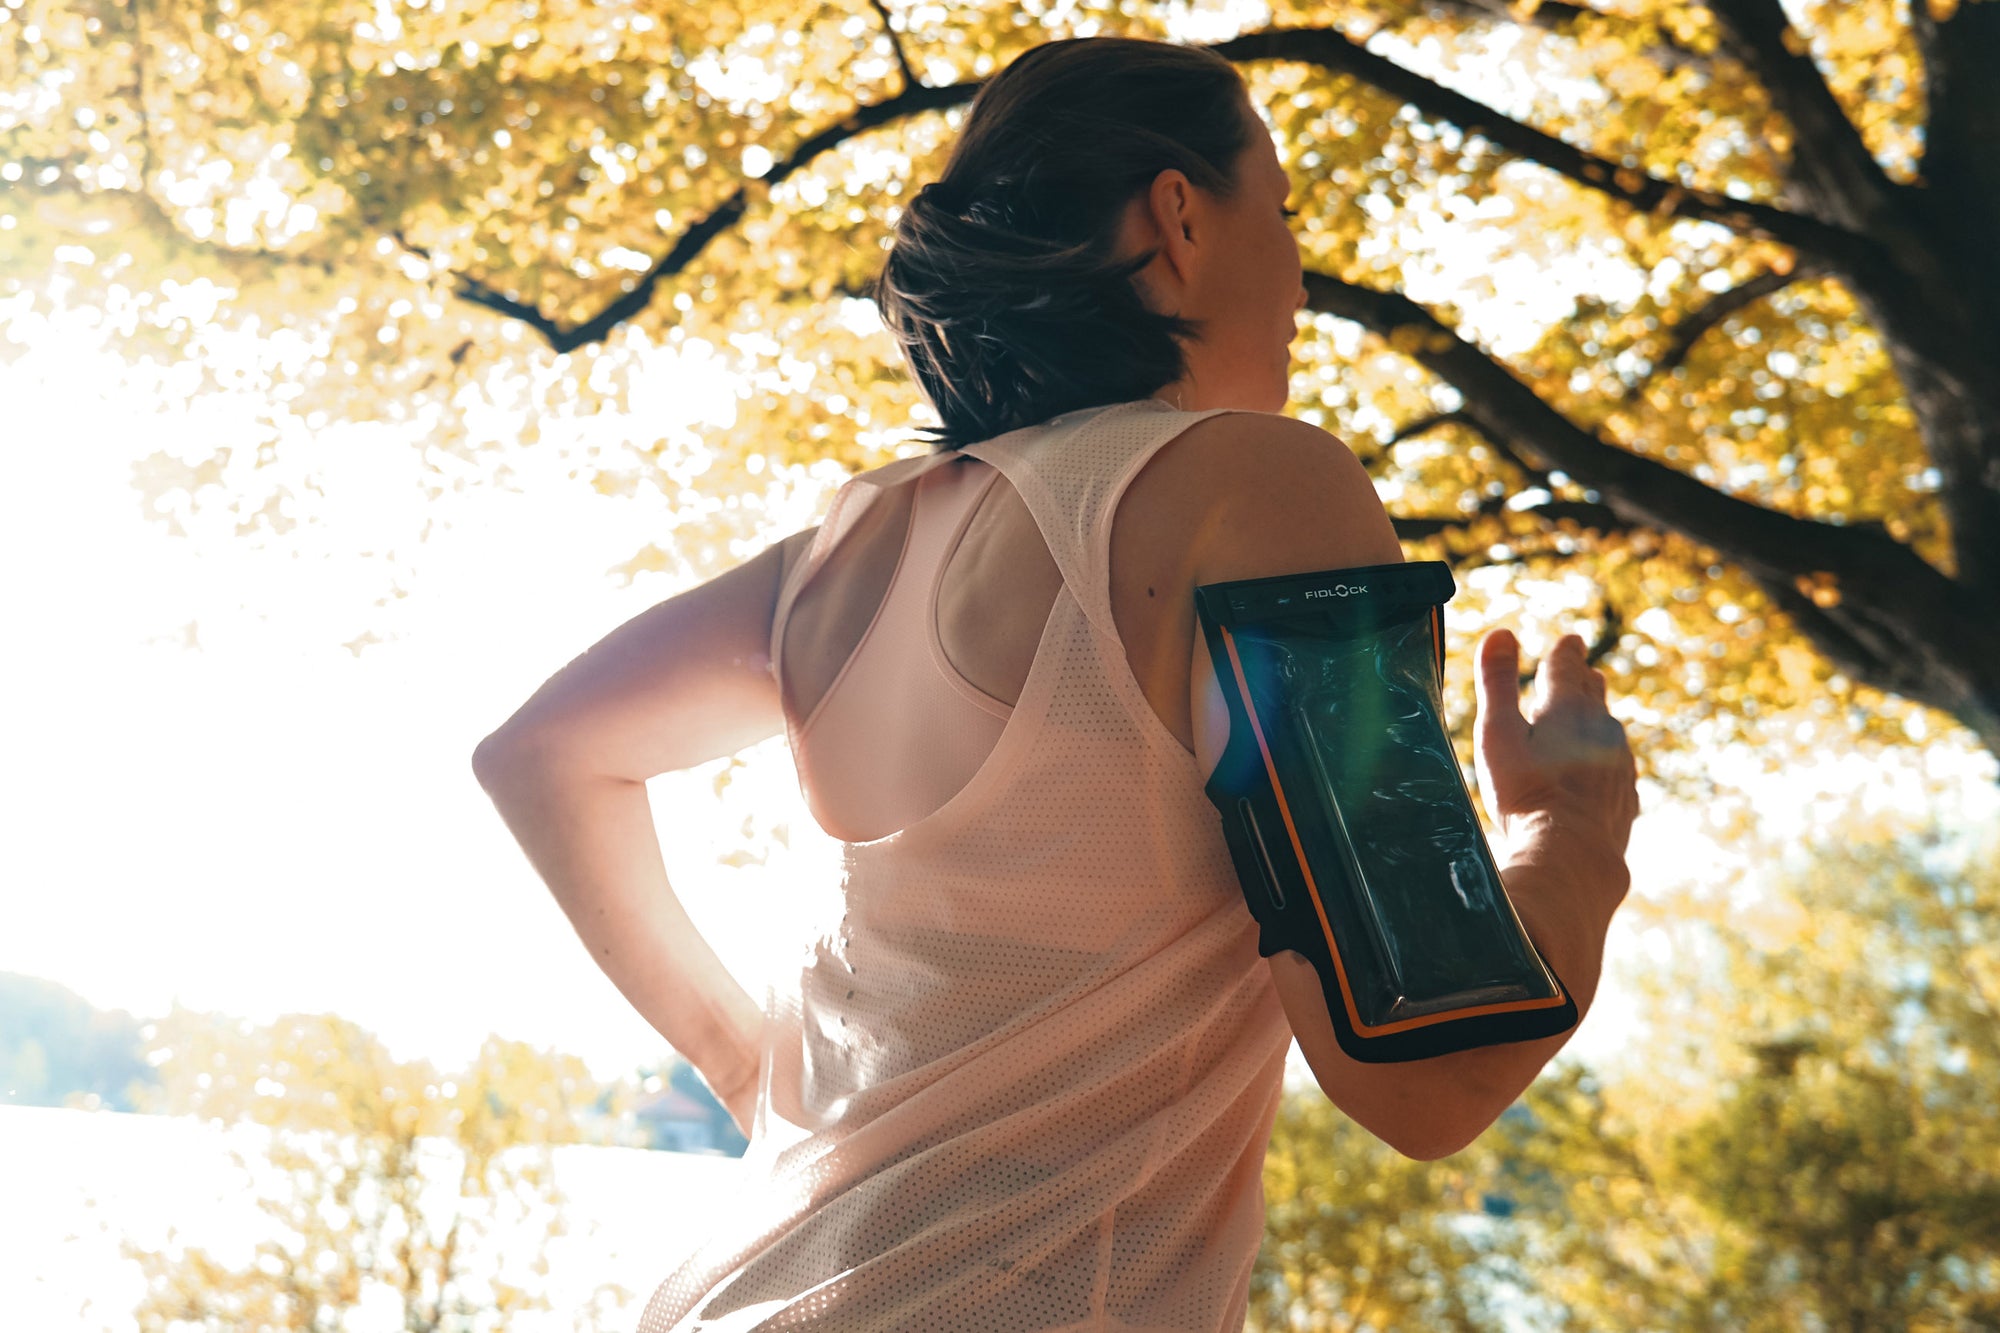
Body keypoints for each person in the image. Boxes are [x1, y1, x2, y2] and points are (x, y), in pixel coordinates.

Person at [473, 34, 1640, 1333]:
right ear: (1179, 216)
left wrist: (748, 1070)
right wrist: (1571, 834)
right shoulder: (1260, 487)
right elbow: (1429, 1078)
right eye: (1285, 213)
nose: (1302, 278)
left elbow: (542, 755)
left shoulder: (836, 556)